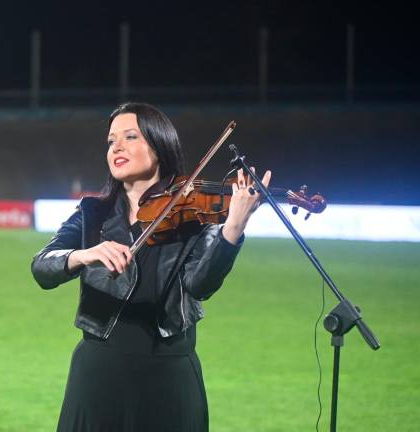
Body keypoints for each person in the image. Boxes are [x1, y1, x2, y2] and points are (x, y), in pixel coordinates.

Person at [31, 102, 271, 431]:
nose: (116, 146)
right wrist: (84, 254)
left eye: (130, 137)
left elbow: (201, 285)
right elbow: (42, 267)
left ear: (159, 146)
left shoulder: (192, 213)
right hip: (98, 373)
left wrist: (233, 229)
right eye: (111, 140)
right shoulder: (93, 213)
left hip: (168, 372)